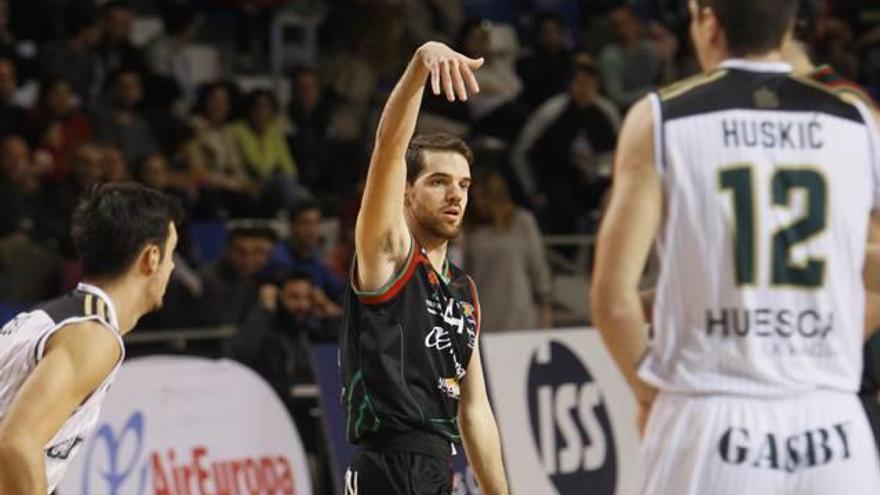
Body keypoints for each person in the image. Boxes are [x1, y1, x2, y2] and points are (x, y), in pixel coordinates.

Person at [591, 0, 880, 494]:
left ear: (707, 20)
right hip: (832, 422)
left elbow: (611, 300)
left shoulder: (661, 116)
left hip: (710, 412)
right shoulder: (857, 119)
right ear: (789, 24)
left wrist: (649, 397)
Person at [339, 42, 508, 494]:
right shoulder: (389, 253)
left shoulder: (463, 290)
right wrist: (419, 65)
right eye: (438, 182)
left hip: (438, 464)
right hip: (386, 463)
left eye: (464, 185)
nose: (456, 195)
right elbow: (389, 149)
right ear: (406, 192)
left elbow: (474, 410)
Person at [0, 182, 181, 493]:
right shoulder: (93, 334)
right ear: (152, 257)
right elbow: (17, 443)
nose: (173, 266)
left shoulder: (53, 316)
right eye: (171, 254)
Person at [464, 168, 552, 332]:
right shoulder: (469, 229)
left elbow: (538, 265)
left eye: (483, 197)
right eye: (474, 198)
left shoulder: (522, 222)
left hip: (518, 309)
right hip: (484, 310)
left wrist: (544, 306)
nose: (478, 203)